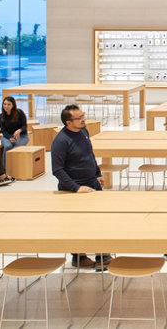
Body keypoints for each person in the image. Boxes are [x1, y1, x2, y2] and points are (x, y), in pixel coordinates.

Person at [50, 104, 111, 270]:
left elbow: (90, 154)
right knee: (77, 224)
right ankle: (78, 257)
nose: (83, 119)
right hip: (73, 189)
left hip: (91, 183)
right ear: (69, 123)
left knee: (100, 220)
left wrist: (97, 173)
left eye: (83, 115)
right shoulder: (61, 141)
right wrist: (76, 188)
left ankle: (103, 256)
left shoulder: (84, 131)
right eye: (79, 118)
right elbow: (57, 170)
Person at [0, 96, 29, 162]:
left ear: (13, 105)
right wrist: (9, 138)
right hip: (7, 136)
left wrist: (19, 130)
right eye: (4, 104)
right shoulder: (1, 116)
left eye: (8, 104)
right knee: (8, 146)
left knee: (16, 148)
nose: (6, 106)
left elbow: (25, 126)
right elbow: (3, 131)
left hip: (22, 136)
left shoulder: (20, 113)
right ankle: (4, 166)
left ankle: (15, 166)